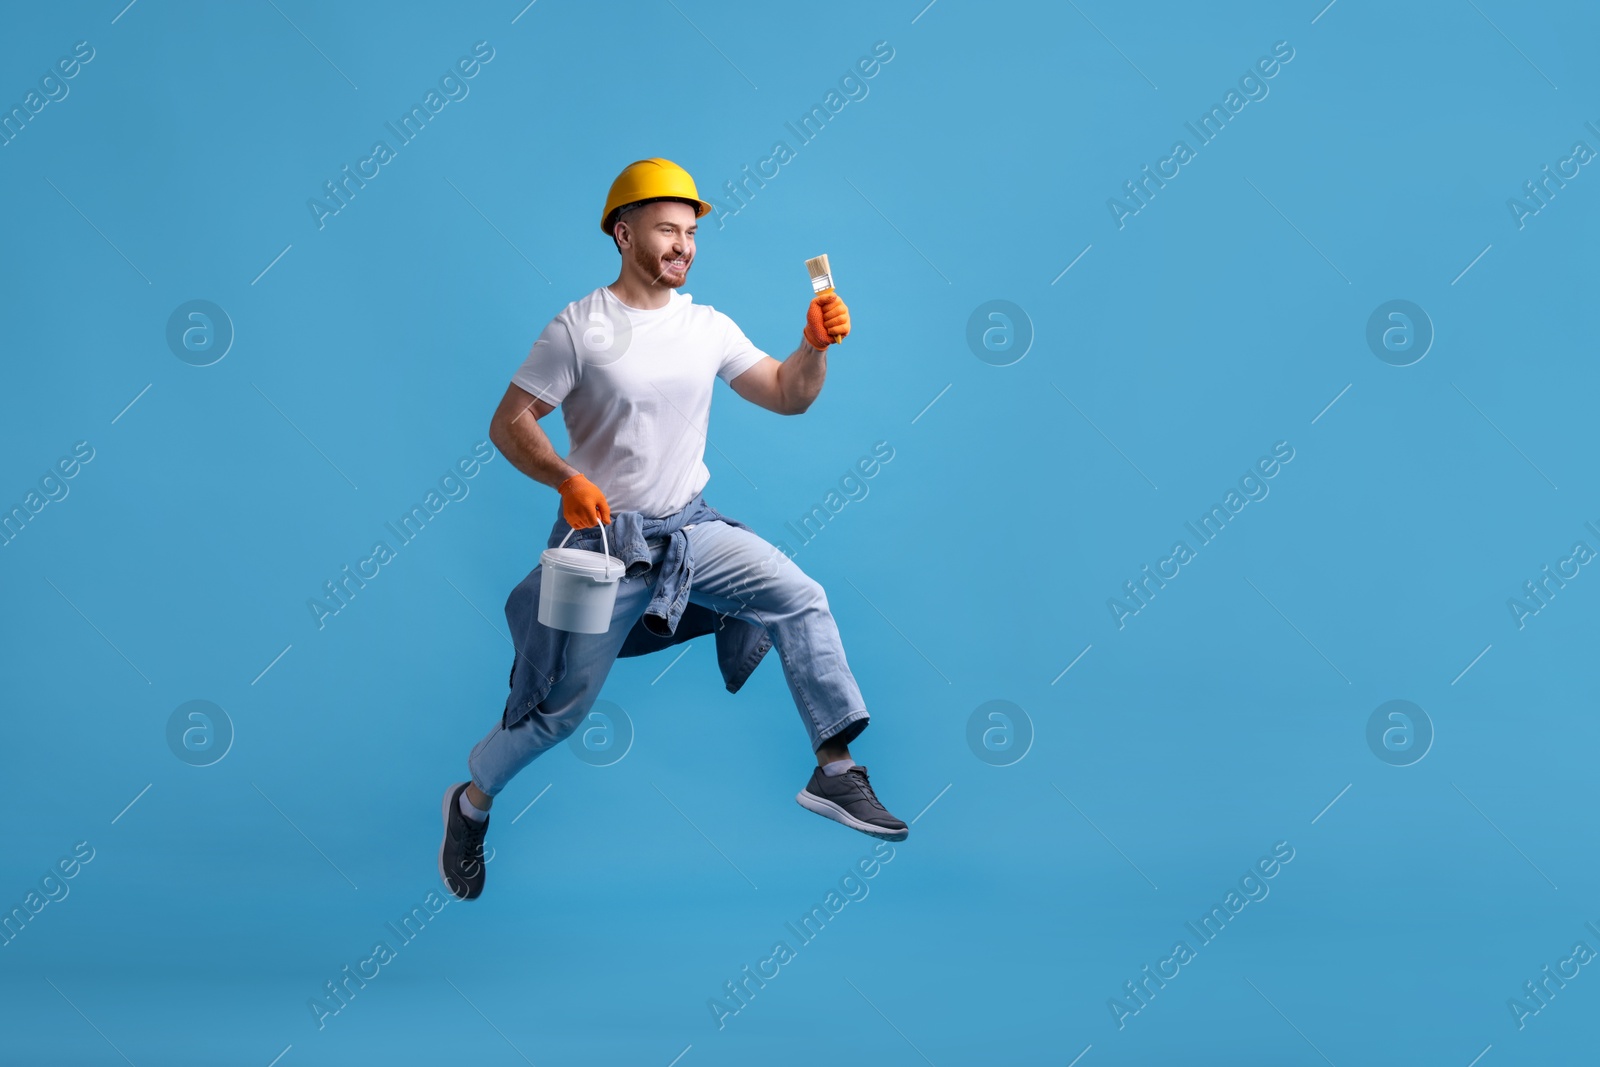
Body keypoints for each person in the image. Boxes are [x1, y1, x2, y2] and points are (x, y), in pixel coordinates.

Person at [438, 158, 907, 901]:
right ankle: (471, 802)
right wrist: (567, 478)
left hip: (690, 531)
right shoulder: (578, 327)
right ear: (623, 235)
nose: (684, 245)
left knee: (801, 595)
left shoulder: (707, 326)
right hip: (597, 546)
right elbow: (509, 423)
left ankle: (837, 770)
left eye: (691, 233)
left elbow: (788, 395)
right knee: (560, 711)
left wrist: (812, 347)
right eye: (667, 230)